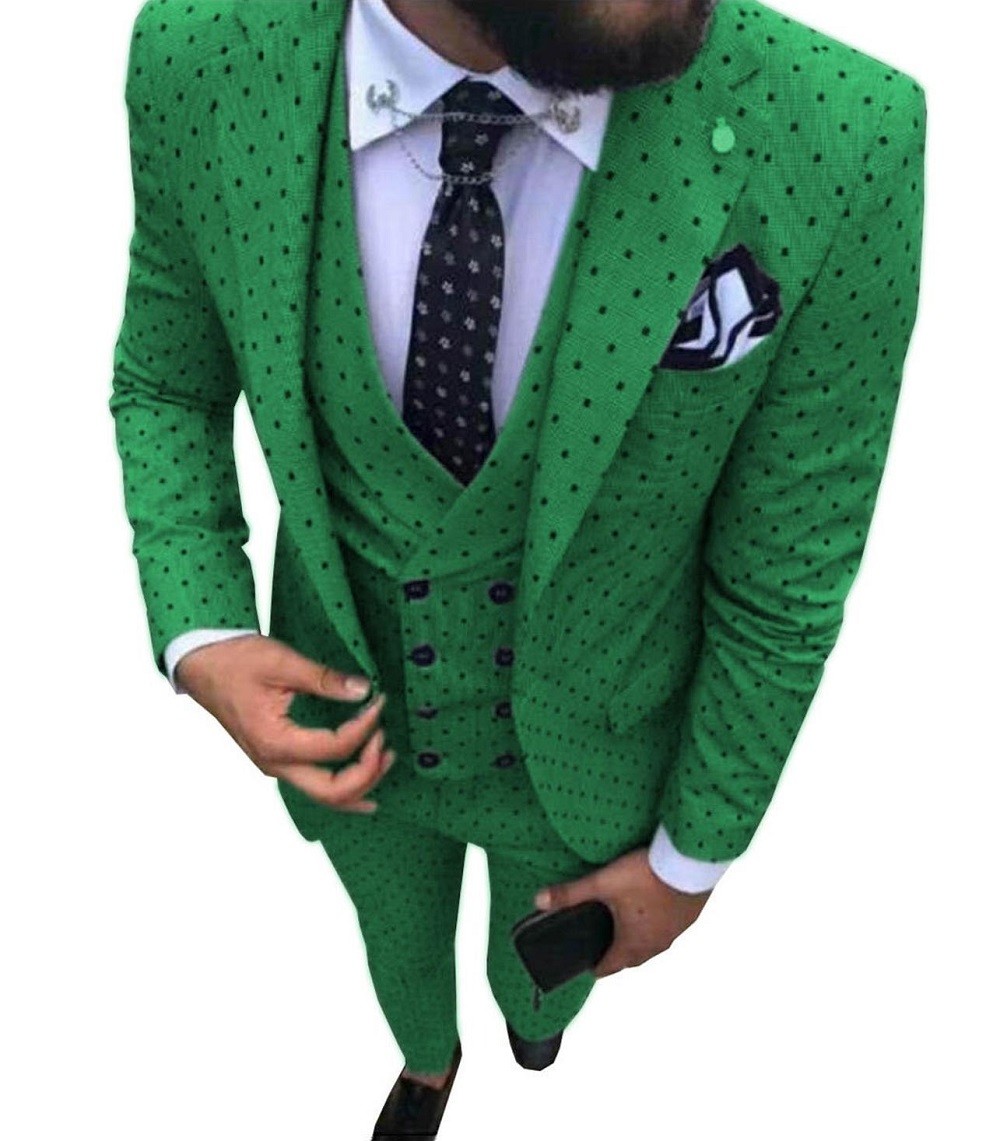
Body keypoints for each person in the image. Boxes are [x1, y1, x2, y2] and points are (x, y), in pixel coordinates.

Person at [109, 0, 926, 1134]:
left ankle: (529, 1023)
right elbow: (166, 381)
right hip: (349, 725)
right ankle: (426, 1058)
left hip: (594, 751)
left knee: (541, 964)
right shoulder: (197, 56)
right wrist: (200, 625)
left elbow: (785, 569)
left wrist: (691, 858)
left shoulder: (845, 134)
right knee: (394, 941)